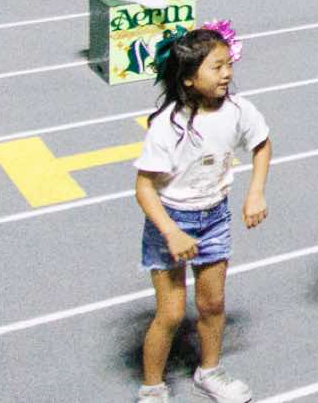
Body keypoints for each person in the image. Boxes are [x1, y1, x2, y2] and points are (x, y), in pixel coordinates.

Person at [134, 27, 271, 403]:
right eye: (216, 67)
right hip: (171, 221)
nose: (227, 73)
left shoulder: (239, 110)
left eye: (228, 64)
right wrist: (171, 232)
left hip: (214, 218)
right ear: (189, 79)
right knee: (171, 313)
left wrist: (255, 192)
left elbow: (261, 145)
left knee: (212, 304)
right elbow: (144, 188)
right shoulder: (168, 125)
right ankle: (152, 387)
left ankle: (209, 372)